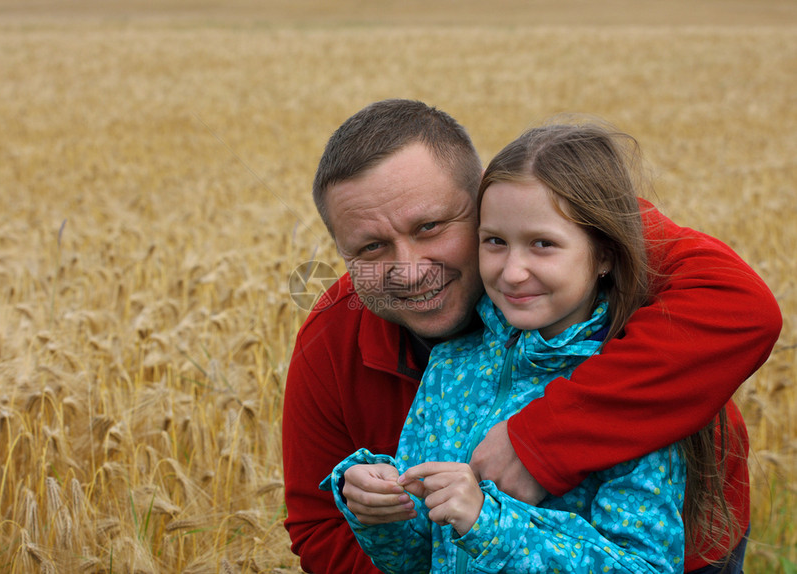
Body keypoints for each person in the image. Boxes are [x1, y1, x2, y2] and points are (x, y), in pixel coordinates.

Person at [281, 99, 781, 573]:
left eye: (431, 226)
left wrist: (536, 444)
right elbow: (326, 530)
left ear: (480, 199)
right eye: (370, 247)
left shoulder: (569, 221)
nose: (409, 272)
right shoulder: (348, 341)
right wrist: (374, 509)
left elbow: (745, 307)